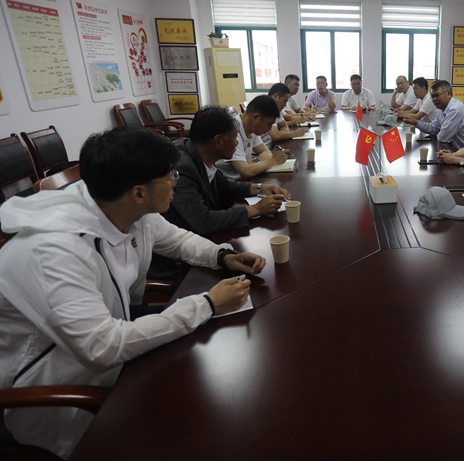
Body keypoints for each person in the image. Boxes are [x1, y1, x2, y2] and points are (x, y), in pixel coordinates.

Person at [0, 126, 264, 458]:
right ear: (138, 193)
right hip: (54, 385)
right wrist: (207, 304)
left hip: (108, 333)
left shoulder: (120, 204)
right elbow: (102, 347)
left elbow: (177, 239)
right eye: (169, 176)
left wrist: (222, 255)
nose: (176, 181)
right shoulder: (53, 251)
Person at [165, 105, 291, 236]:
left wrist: (260, 188)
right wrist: (257, 209)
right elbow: (203, 221)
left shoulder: (200, 152)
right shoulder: (182, 168)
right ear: (218, 141)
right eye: (235, 137)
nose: (236, 143)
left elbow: (225, 186)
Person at [215, 95, 287, 180]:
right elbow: (246, 172)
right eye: (269, 124)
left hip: (242, 181)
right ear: (255, 117)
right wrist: (273, 161)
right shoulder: (233, 131)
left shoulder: (251, 129)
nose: (269, 129)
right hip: (229, 184)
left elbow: (266, 152)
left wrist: (255, 162)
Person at [400, 80, 464, 149]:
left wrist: (439, 132)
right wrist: (415, 122)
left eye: (437, 95)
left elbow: (443, 138)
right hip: (457, 150)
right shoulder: (443, 109)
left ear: (449, 94)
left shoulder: (455, 110)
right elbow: (432, 128)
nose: (434, 99)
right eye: (432, 96)